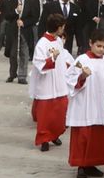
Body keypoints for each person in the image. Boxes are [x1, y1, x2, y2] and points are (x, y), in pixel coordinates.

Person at [66, 21, 104, 178]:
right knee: (83, 136)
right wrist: (82, 77)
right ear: (90, 43)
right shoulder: (81, 60)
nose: (101, 49)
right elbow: (70, 81)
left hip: (100, 105)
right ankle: (81, 166)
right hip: (84, 105)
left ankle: (92, 164)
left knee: (97, 137)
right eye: (98, 46)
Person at [29, 11, 74, 153]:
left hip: (59, 82)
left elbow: (63, 58)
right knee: (45, 115)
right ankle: (44, 139)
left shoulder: (59, 41)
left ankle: (55, 134)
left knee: (60, 111)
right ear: (58, 27)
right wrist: (52, 58)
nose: (63, 29)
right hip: (46, 84)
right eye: (63, 27)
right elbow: (39, 64)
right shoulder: (42, 44)